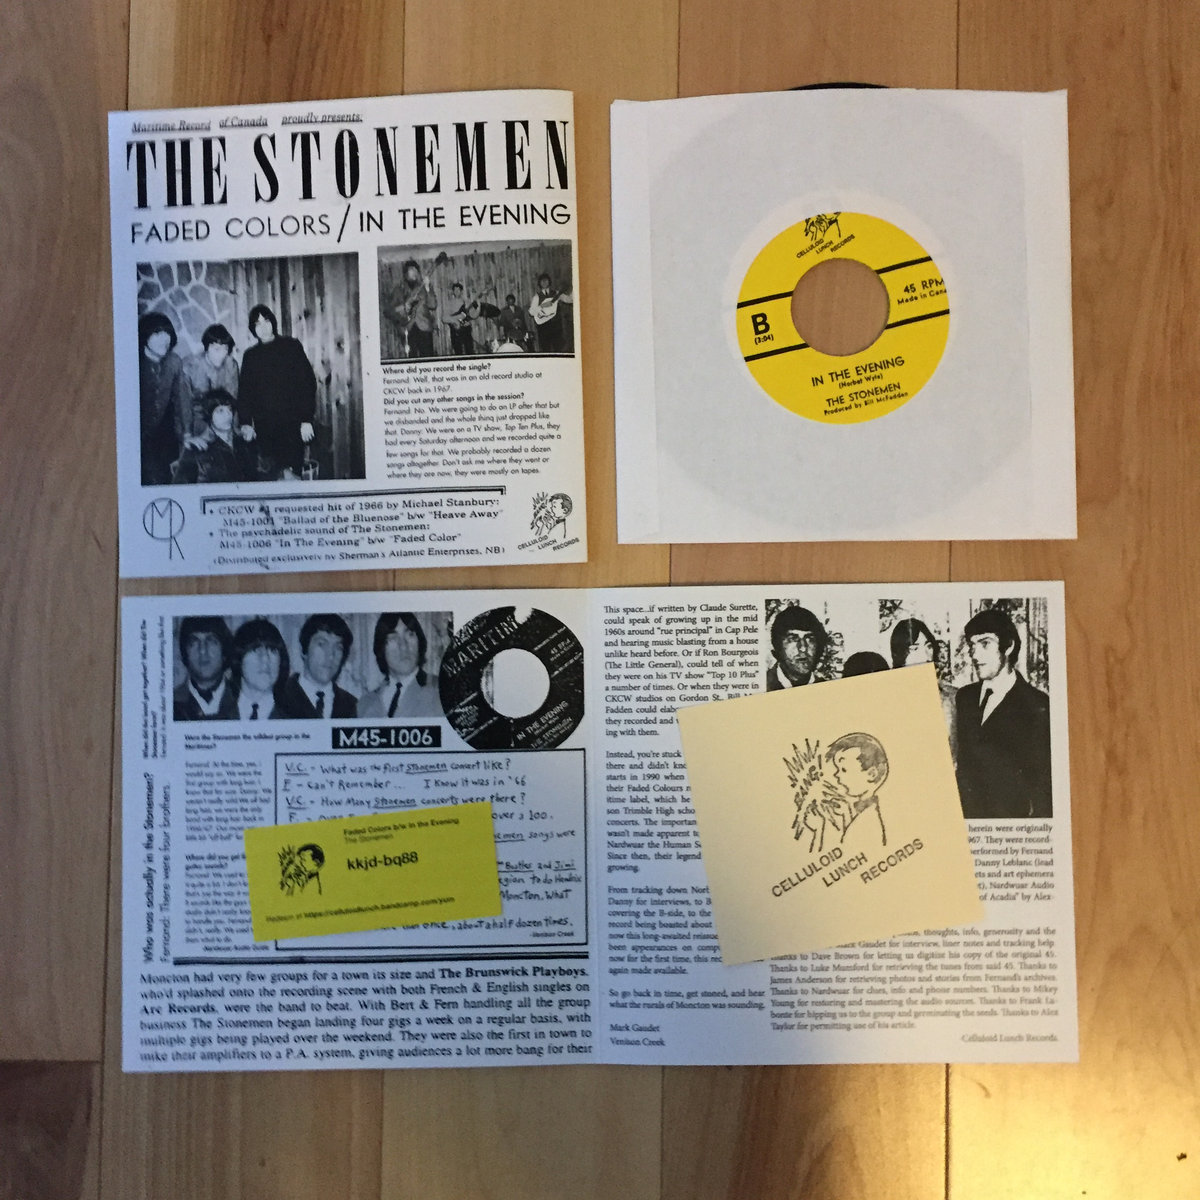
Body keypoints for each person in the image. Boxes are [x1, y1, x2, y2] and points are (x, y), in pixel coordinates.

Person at [954, 608, 1052, 819]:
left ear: (1008, 646)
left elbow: (1043, 790)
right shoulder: (964, 698)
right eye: (972, 645)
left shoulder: (1037, 706)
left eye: (985, 644)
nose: (974, 655)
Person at [236, 304, 316, 479]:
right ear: (253, 329)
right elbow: (245, 393)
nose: (263, 327)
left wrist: (306, 419)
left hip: (293, 426)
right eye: (257, 324)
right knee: (270, 476)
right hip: (264, 429)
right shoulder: (250, 356)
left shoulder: (291, 346)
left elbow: (307, 384)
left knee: (292, 476)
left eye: (266, 321)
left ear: (273, 322)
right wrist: (246, 423)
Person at [799, 733, 891, 852]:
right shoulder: (859, 813)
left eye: (843, 769)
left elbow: (846, 853)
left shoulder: (867, 823)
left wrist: (821, 829)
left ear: (871, 774)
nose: (836, 774)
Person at [890, 616, 958, 754]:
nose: (925, 655)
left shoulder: (954, 697)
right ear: (899, 655)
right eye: (914, 649)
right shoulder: (889, 701)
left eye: (928, 646)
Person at [357, 613, 442, 719]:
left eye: (410, 635)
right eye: (393, 638)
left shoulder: (441, 691)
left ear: (419, 641)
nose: (403, 646)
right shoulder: (365, 704)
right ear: (381, 648)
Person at [139, 311, 189, 485]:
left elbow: (182, 400)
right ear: (145, 335)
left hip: (163, 435)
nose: (164, 339)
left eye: (167, 333)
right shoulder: (133, 362)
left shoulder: (174, 362)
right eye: (157, 333)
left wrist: (187, 434)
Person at [277, 613, 357, 718]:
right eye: (321, 644)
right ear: (303, 650)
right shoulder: (277, 699)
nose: (330, 656)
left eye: (338, 647)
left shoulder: (353, 706)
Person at [172, 390, 257, 484]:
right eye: (220, 411)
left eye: (229, 410)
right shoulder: (196, 447)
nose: (227, 416)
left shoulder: (243, 441)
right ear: (209, 414)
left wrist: (252, 441)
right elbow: (179, 488)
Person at [173, 616, 238, 720]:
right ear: (185, 653)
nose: (202, 650)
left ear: (224, 652)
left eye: (211, 641)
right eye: (194, 642)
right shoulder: (170, 702)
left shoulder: (243, 700)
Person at [181, 324, 239, 438]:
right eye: (216, 349)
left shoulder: (231, 365)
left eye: (225, 349)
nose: (221, 354)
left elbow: (233, 401)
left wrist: (235, 429)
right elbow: (184, 405)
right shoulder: (189, 366)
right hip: (197, 420)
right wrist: (187, 434)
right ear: (207, 347)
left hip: (222, 418)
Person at [231, 617, 289, 720]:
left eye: (272, 650)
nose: (265, 659)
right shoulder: (214, 718)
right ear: (239, 658)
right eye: (255, 649)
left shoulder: (295, 719)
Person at [766, 605, 830, 690]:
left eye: (809, 639)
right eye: (793, 639)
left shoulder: (828, 688)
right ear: (777, 645)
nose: (803, 648)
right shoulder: (763, 685)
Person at [386, 258, 438, 358]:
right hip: (408, 329)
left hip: (424, 328)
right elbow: (388, 311)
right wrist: (403, 307)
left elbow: (433, 305)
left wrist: (428, 288)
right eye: (411, 270)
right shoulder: (398, 290)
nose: (414, 273)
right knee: (411, 359)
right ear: (406, 273)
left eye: (416, 270)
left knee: (428, 359)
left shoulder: (424, 287)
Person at [528, 272, 573, 352]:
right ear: (539, 283)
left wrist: (575, 288)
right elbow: (531, 312)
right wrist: (542, 306)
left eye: (546, 280)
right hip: (543, 326)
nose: (544, 282)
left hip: (556, 326)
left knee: (558, 348)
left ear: (549, 282)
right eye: (542, 281)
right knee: (546, 349)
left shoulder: (556, 293)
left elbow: (569, 300)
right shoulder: (536, 297)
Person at [446, 282, 475, 356]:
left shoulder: (466, 302)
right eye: (455, 290)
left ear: (461, 291)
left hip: (466, 328)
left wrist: (469, 322)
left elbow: (472, 315)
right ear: (453, 291)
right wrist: (454, 321)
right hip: (455, 330)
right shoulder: (450, 303)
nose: (456, 291)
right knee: (458, 351)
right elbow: (445, 317)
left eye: (458, 290)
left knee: (469, 350)